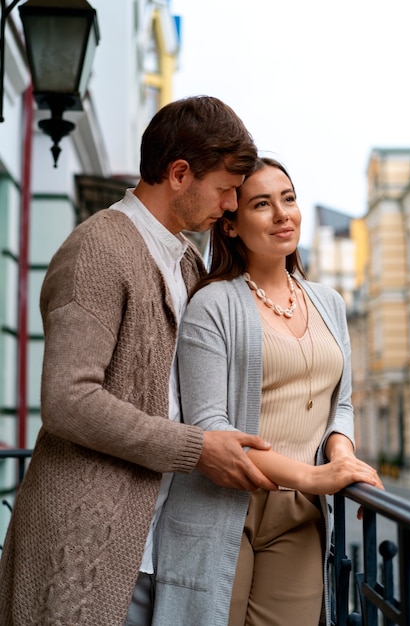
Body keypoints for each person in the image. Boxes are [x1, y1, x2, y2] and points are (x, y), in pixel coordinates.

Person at [0, 97, 278, 626]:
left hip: (155, 546)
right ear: (179, 174)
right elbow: (67, 399)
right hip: (84, 544)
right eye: (223, 190)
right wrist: (196, 449)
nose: (228, 206)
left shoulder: (186, 262)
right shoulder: (97, 250)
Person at [151, 157, 384, 626]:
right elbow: (210, 426)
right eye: (262, 204)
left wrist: (341, 456)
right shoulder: (212, 304)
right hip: (219, 505)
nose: (283, 214)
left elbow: (340, 403)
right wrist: (316, 478)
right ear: (232, 226)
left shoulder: (330, 304)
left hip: (297, 514)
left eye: (289, 199)